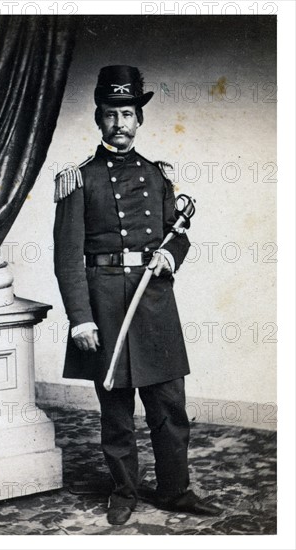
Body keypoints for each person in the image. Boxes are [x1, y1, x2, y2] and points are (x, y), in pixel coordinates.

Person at [54, 65, 219, 525]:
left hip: (154, 302)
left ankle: (175, 490)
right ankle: (123, 490)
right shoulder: (78, 179)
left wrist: (172, 257)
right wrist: (80, 318)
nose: (120, 123)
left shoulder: (158, 173)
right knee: (117, 410)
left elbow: (177, 235)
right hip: (105, 306)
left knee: (169, 405)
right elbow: (67, 257)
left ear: (138, 119)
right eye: (111, 114)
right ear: (98, 118)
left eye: (128, 113)